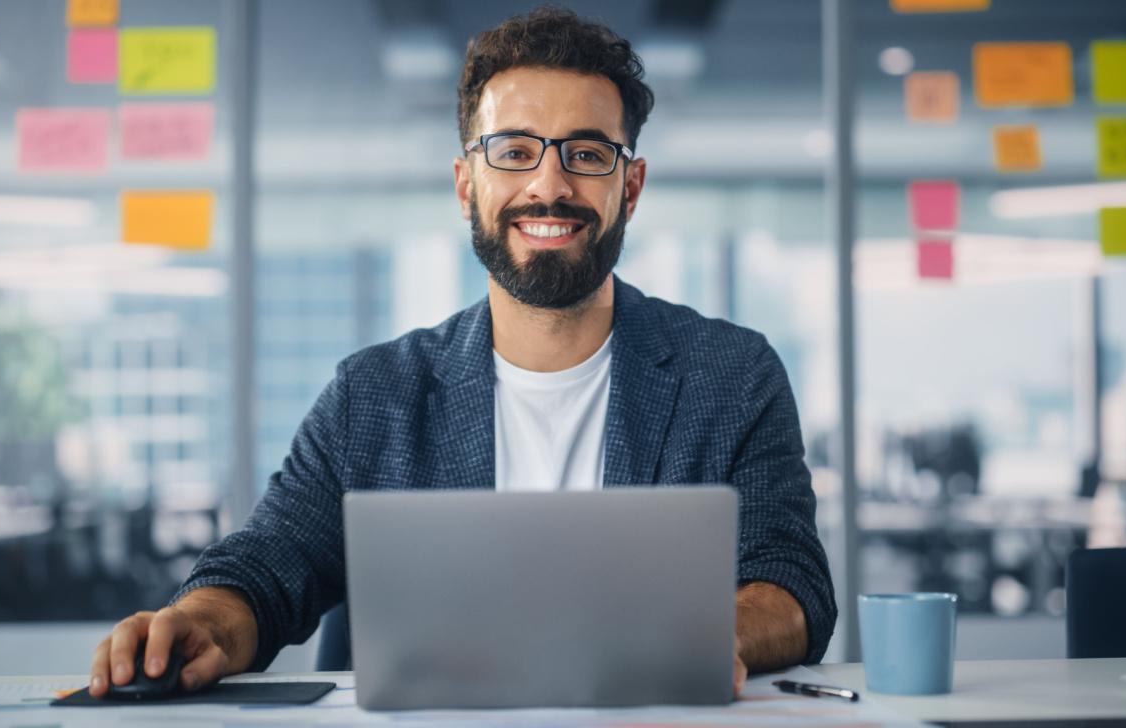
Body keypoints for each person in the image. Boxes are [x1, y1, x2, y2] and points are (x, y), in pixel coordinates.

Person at [89, 6, 836, 701]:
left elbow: (792, 580)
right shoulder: (373, 395)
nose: (549, 185)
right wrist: (206, 623)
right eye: (513, 152)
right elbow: (270, 562)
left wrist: (711, 635)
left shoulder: (732, 375)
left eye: (585, 153)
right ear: (466, 182)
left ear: (630, 187)